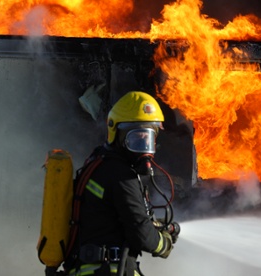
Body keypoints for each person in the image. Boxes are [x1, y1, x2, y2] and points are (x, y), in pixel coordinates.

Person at [63, 91, 179, 276]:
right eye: (136, 138)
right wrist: (164, 243)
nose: (144, 148)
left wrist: (154, 225)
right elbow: (141, 234)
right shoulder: (121, 175)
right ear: (116, 134)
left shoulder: (99, 163)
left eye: (148, 139)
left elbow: (117, 217)